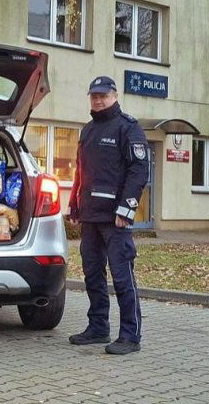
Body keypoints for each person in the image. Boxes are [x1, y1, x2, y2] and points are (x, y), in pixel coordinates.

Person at [67, 75, 149, 355]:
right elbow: (80, 171)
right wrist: (74, 205)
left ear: (115, 96)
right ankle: (98, 327)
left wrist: (126, 210)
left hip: (116, 219)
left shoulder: (129, 128)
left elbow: (139, 171)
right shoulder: (87, 130)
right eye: (94, 96)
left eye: (103, 95)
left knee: (122, 277)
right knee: (92, 275)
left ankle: (130, 336)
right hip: (90, 217)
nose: (98, 100)